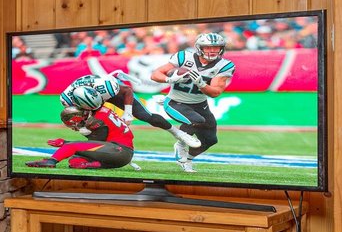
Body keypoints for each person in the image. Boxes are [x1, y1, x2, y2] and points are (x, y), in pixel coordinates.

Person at [147, 31, 236, 172]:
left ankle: (186, 160)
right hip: (175, 101)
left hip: (200, 105)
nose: (212, 50)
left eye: (216, 47)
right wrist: (170, 79)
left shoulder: (224, 65)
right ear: (199, 47)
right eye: (208, 47)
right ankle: (180, 144)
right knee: (196, 120)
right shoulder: (183, 57)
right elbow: (155, 74)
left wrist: (202, 84)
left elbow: (215, 93)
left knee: (210, 140)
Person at [26, 76, 135, 171]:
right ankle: (95, 164)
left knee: (72, 147)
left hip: (118, 150)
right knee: (75, 161)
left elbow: (96, 141)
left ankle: (51, 161)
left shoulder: (95, 120)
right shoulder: (102, 110)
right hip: (119, 153)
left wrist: (66, 143)